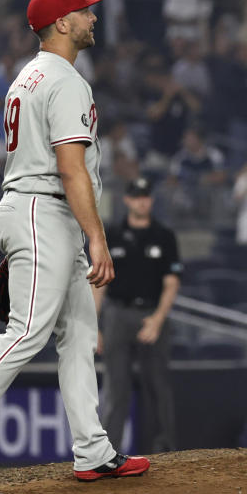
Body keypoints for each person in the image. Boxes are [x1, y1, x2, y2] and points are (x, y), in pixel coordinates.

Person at [0, 0, 150, 494]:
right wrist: (99, 239)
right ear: (62, 23)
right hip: (43, 209)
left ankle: (93, 450)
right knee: (27, 331)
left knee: (78, 335)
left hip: (38, 210)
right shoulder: (65, 80)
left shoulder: (26, 76)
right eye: (84, 11)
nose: (93, 17)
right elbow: (72, 170)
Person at [95, 177, 182, 453]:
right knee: (116, 388)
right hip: (117, 315)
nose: (142, 201)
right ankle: (108, 452)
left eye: (146, 196)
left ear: (151, 201)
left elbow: (172, 283)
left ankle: (164, 450)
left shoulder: (164, 236)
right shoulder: (112, 234)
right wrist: (93, 325)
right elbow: (99, 282)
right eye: (137, 196)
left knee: (158, 385)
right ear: (127, 200)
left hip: (151, 315)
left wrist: (157, 319)